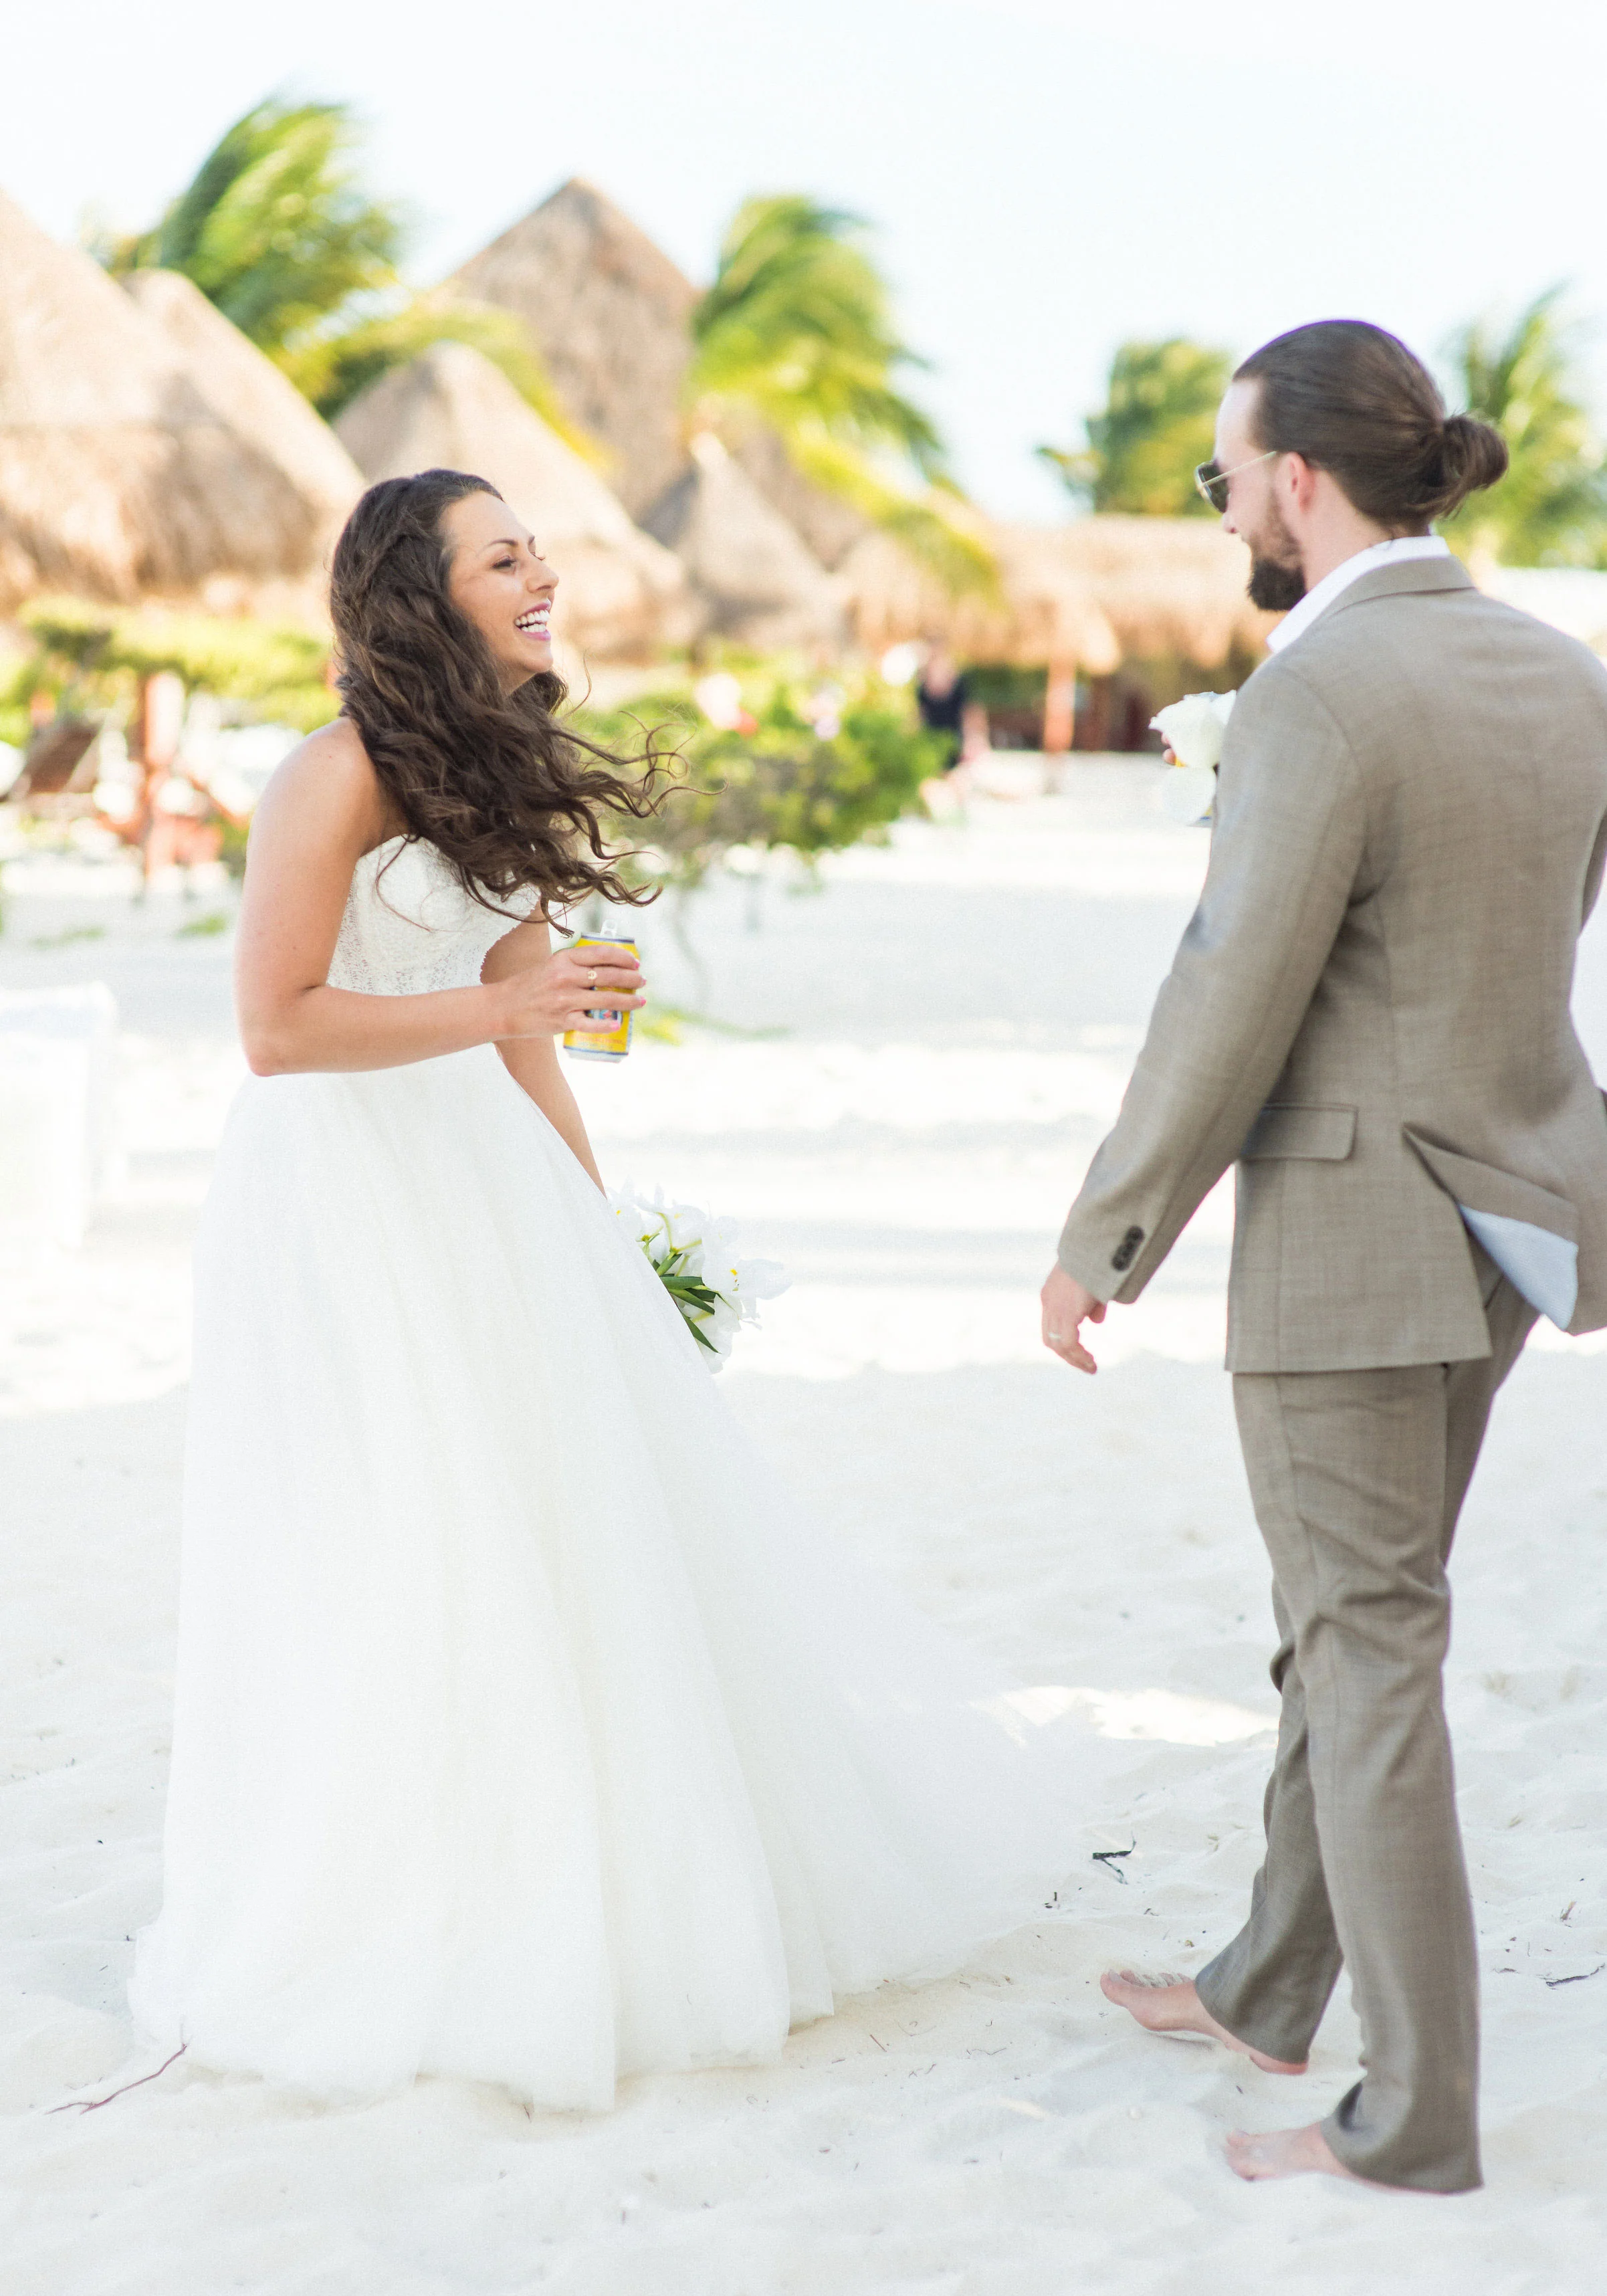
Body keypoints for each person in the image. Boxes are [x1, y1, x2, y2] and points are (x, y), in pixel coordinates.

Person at [130, 468, 1077, 2110]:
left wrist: (602, 1245)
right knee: (407, 1539)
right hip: (348, 1197)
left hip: (487, 1188)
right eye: (505, 559)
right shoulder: (328, 775)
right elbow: (278, 1030)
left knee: (553, 1527)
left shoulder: (485, 770)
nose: (543, 575)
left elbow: (525, 1023)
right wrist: (507, 1016)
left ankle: (579, 1888)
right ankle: (399, 1905)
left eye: (538, 552)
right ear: (423, 596)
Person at [1041, 321, 1607, 2193]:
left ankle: (1413, 2117)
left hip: (1354, 1244)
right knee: (1350, 1619)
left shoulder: (1319, 691)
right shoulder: (1562, 673)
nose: (1223, 513)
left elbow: (1234, 995)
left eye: (1222, 480)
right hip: (1515, 1224)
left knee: (1362, 1647)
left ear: (1297, 480)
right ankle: (1269, 1986)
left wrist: (1105, 1237)